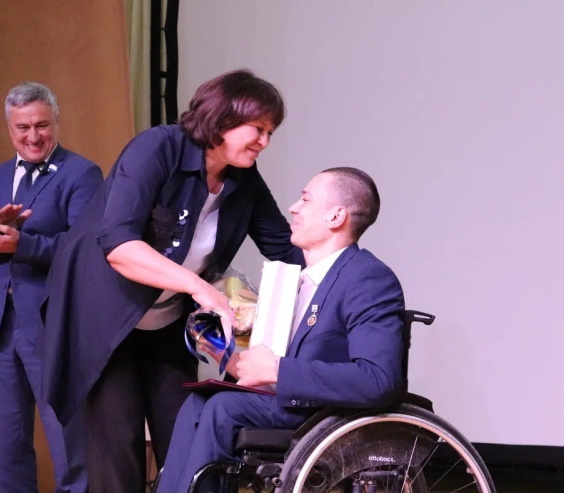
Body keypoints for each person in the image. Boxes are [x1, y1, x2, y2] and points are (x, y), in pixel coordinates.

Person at [40, 69, 305, 492]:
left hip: (167, 324)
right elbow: (118, 246)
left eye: (270, 132)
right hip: (105, 320)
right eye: (258, 128)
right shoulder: (158, 147)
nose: (265, 142)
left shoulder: (244, 181)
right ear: (224, 118)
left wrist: (346, 280)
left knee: (188, 445)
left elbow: (287, 252)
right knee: (118, 455)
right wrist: (199, 287)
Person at [154, 167, 407, 493]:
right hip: (292, 401)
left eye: (305, 200)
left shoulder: (366, 277)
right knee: (199, 401)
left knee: (222, 408)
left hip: (323, 413)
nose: (293, 208)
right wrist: (225, 348)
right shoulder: (300, 279)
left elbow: (378, 380)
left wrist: (276, 369)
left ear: (335, 216)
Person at [0, 82, 103, 493]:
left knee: (68, 442)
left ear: (56, 122)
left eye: (42, 125)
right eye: (23, 128)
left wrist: (23, 244)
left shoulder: (81, 173)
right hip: (0, 328)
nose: (33, 136)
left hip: (52, 324)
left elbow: (85, 246)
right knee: (6, 446)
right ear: (10, 129)